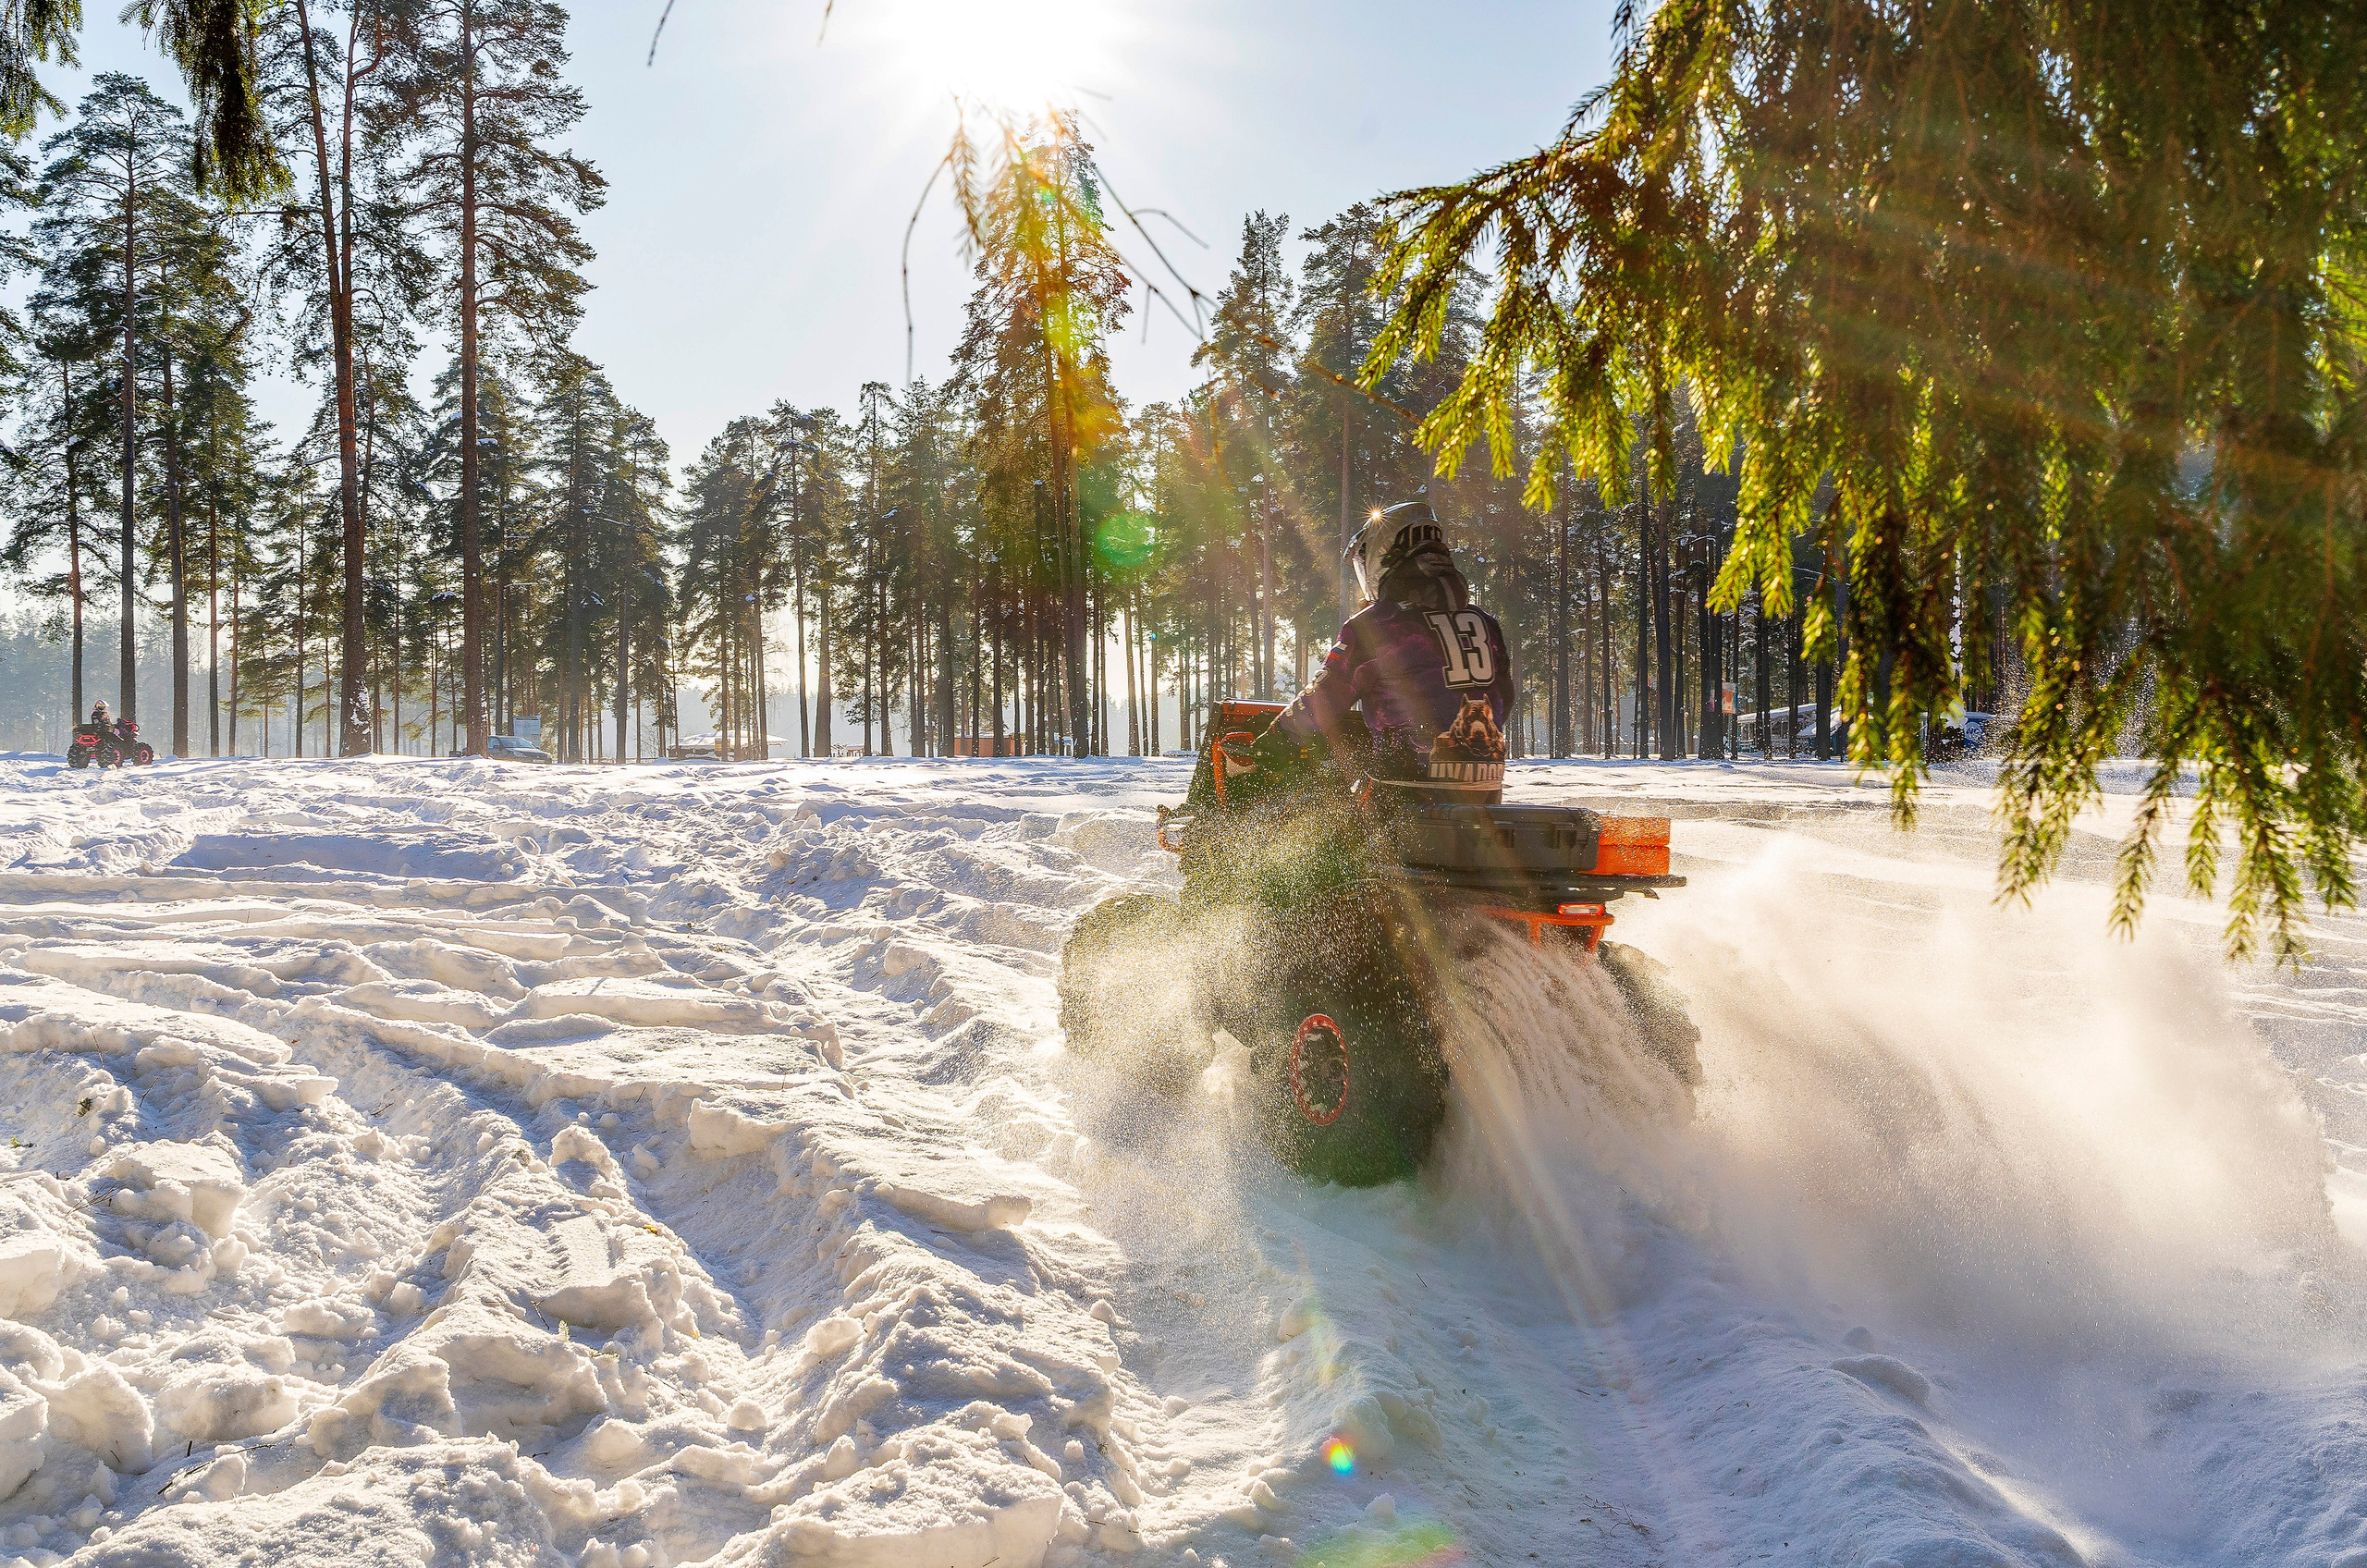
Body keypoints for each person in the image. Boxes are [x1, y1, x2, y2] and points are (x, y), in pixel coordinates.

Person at [1243, 500, 1513, 800]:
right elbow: (1505, 699)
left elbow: (1322, 701)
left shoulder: (1375, 625)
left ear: (1384, 558)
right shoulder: (1486, 624)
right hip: (1486, 793)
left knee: (1325, 753)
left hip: (1403, 797)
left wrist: (1267, 747)